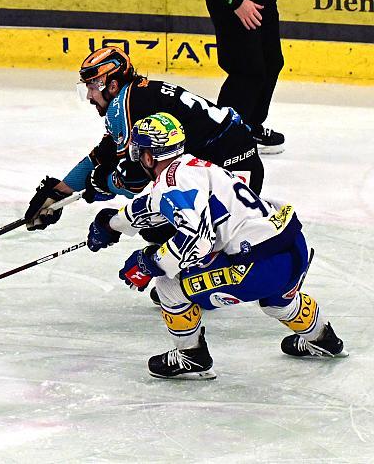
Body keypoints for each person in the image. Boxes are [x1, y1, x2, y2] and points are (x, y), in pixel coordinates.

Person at [86, 112, 347, 379]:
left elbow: (196, 240)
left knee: (169, 286)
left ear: (149, 156)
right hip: (292, 245)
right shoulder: (194, 166)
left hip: (259, 266)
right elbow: (154, 204)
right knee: (279, 303)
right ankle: (324, 339)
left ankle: (192, 356)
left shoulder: (172, 183)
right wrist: (113, 223)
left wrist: (149, 261)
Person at [25, 46, 263, 238]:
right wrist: (59, 192)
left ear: (113, 84)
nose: (89, 96)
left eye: (92, 87)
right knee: (161, 225)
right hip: (238, 160)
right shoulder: (135, 97)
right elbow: (103, 154)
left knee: (164, 231)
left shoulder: (123, 106)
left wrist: (99, 186)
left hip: (232, 169)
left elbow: (133, 180)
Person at [205, 0, 287, 154]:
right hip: (233, 2)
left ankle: (249, 128)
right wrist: (235, 1)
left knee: (272, 62)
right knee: (246, 70)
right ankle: (223, 137)